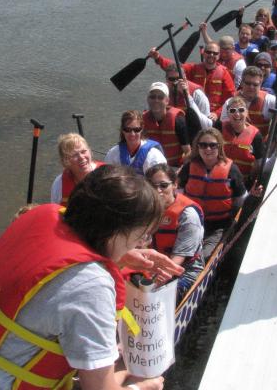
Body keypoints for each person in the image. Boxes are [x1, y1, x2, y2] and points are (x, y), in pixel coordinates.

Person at [0, 166, 186, 390]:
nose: (142, 242)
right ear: (115, 231)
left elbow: (61, 258)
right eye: (140, 235)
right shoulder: (92, 285)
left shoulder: (43, 216)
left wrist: (123, 254)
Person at [178, 128, 249, 259]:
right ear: (197, 147)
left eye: (212, 145)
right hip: (192, 222)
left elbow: (241, 199)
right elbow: (179, 195)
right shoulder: (188, 168)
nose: (208, 149)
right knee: (183, 253)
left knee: (204, 256)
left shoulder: (232, 170)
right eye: (203, 145)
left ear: (219, 147)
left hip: (218, 226)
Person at [146, 164, 205, 301]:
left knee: (164, 298)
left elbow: (180, 256)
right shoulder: (144, 209)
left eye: (163, 185)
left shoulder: (188, 215)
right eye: (152, 186)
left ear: (175, 185)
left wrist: (158, 280)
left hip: (185, 268)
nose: (158, 190)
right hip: (154, 264)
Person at [149, 42, 235, 121]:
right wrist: (158, 58)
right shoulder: (193, 68)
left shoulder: (224, 73)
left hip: (213, 116)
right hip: (195, 112)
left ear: (219, 56)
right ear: (203, 53)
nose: (211, 55)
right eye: (208, 52)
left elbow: (230, 99)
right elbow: (175, 68)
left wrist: (217, 113)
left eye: (215, 53)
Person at [221, 66, 277, 138]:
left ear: (260, 85)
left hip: (259, 144)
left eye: (255, 85)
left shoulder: (267, 99)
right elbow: (224, 126)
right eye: (248, 83)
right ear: (242, 83)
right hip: (235, 142)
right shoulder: (229, 102)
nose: (251, 87)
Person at [216, 96, 264, 189]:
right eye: (232, 110)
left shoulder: (256, 135)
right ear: (228, 113)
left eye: (241, 110)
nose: (237, 114)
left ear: (247, 112)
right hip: (219, 179)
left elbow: (259, 163)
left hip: (242, 184)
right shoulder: (219, 127)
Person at [142, 82, 191, 167]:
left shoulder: (178, 120)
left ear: (167, 101)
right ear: (148, 99)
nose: (156, 100)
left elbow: (188, 151)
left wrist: (182, 169)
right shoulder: (142, 120)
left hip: (174, 167)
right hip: (151, 167)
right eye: (152, 97)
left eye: (160, 97)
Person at [105, 110, 166, 174]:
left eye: (136, 130)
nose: (132, 134)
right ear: (122, 130)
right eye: (128, 130)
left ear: (141, 129)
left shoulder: (154, 156)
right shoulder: (113, 154)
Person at [50, 133, 104, 205]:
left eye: (83, 151)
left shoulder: (107, 174)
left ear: (90, 151)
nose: (81, 157)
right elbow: (55, 209)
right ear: (65, 161)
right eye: (74, 155)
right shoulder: (59, 184)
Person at [164, 63, 212, 129]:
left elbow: (207, 125)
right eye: (171, 79)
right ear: (166, 79)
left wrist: (187, 96)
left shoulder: (197, 94)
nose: (175, 82)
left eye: (178, 79)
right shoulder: (162, 93)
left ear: (185, 78)